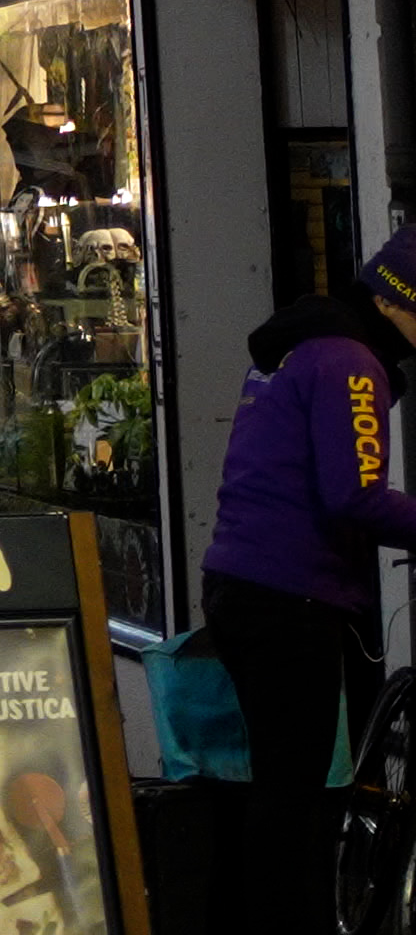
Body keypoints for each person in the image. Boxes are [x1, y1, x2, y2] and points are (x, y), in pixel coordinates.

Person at [202, 228, 416, 929]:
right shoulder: (350, 362)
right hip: (289, 596)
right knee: (293, 795)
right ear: (401, 301)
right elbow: (354, 494)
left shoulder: (304, 346)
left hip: (244, 581)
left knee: (278, 785)